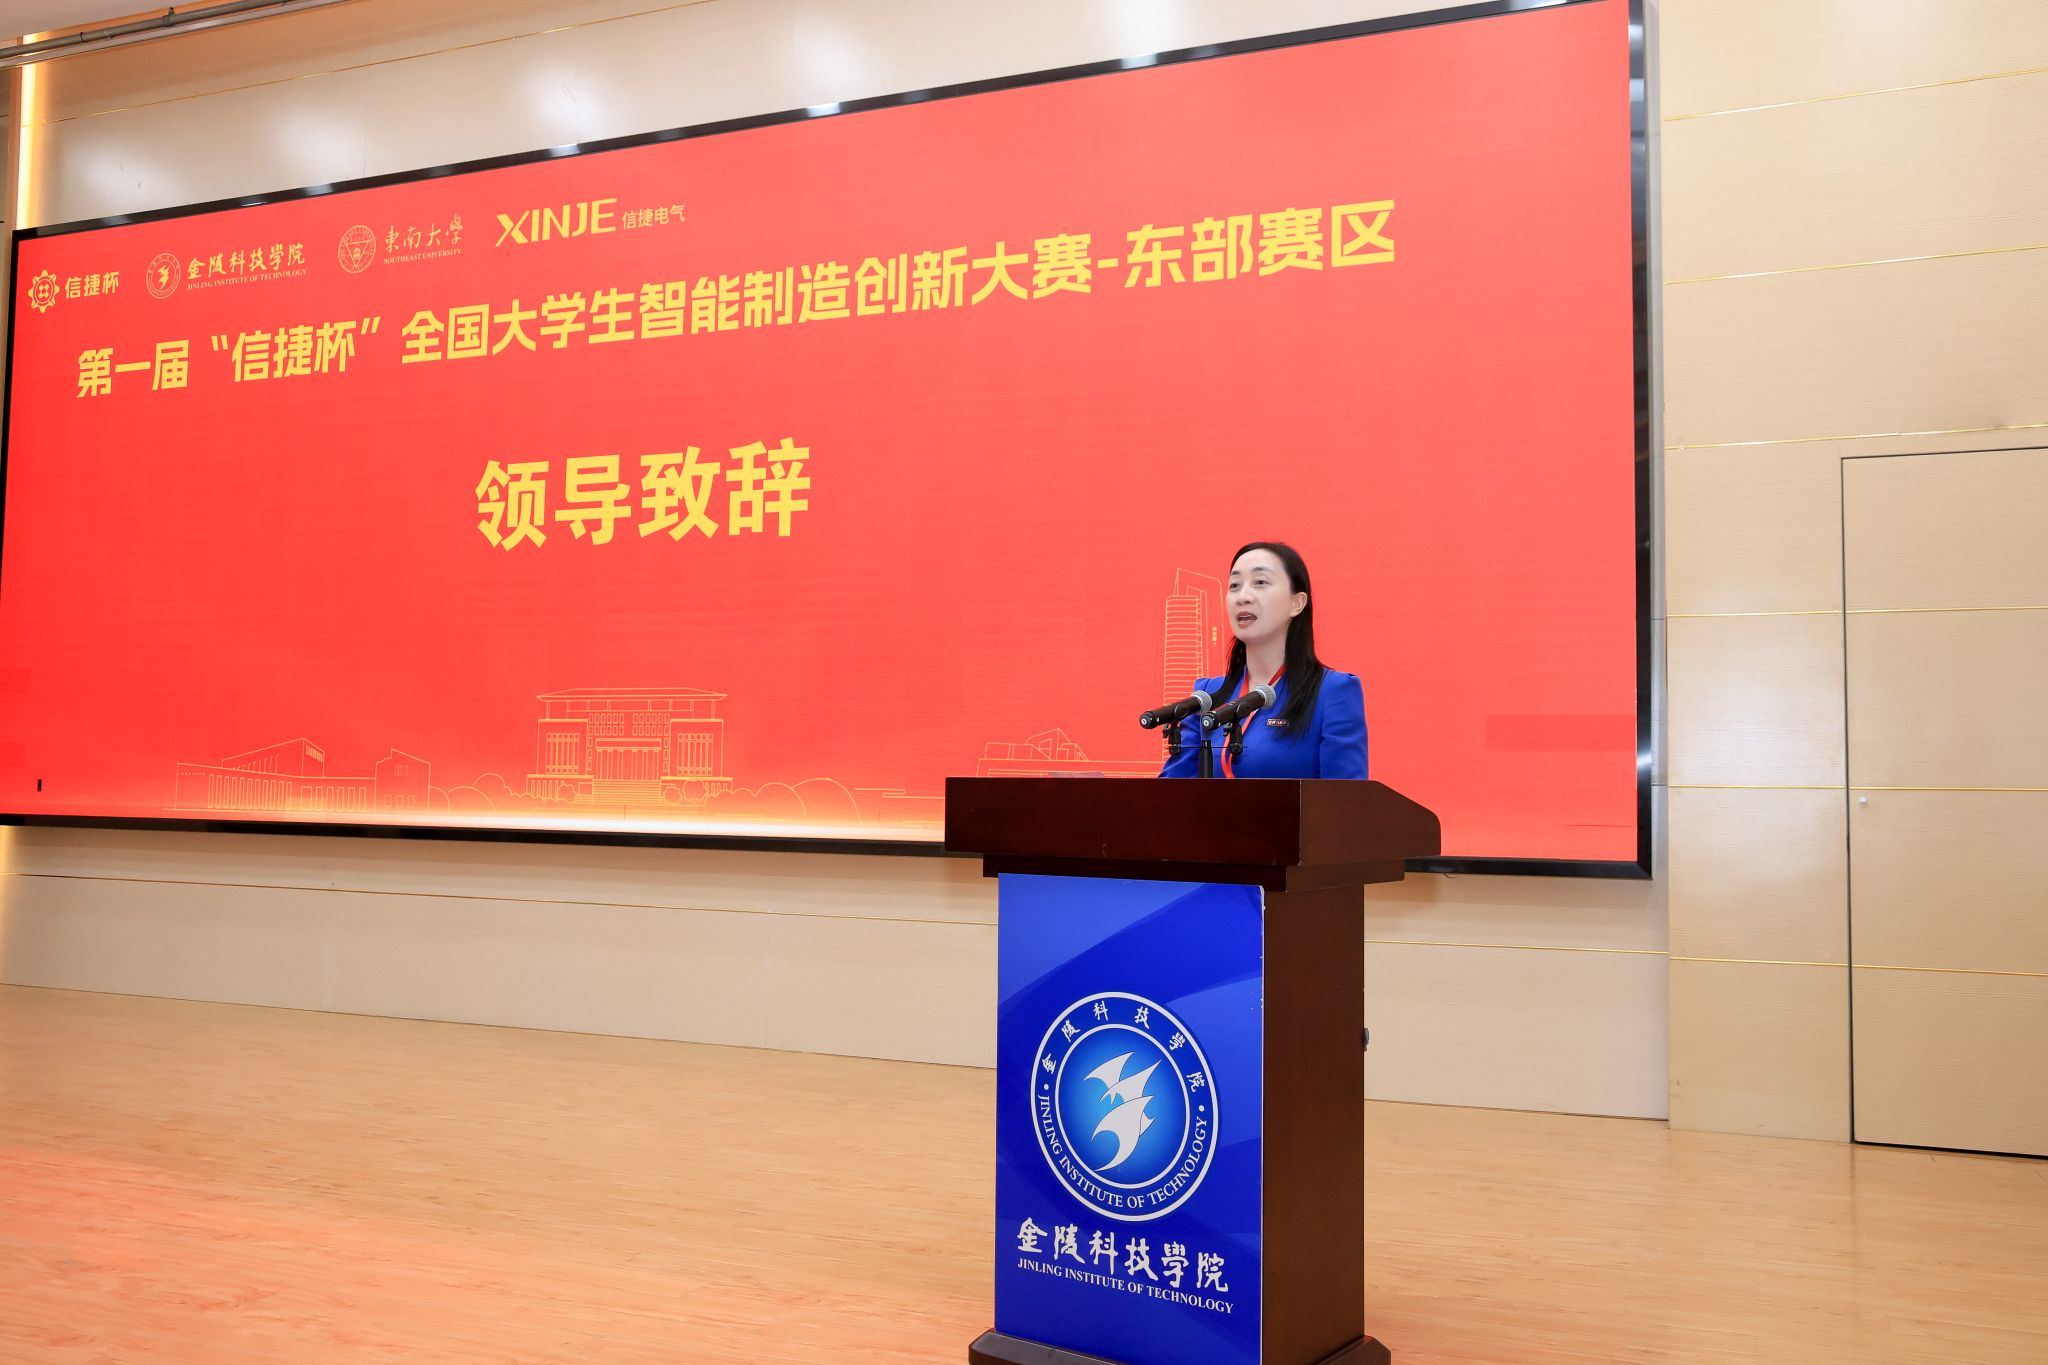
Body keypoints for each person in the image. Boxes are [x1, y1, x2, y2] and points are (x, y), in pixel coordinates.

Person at [1159, 541, 1368, 779]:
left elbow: (1345, 797)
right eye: (1235, 585)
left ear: (1296, 603)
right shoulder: (1207, 695)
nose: (1243, 597)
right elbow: (1172, 793)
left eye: (1260, 582)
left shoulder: (1332, 692)